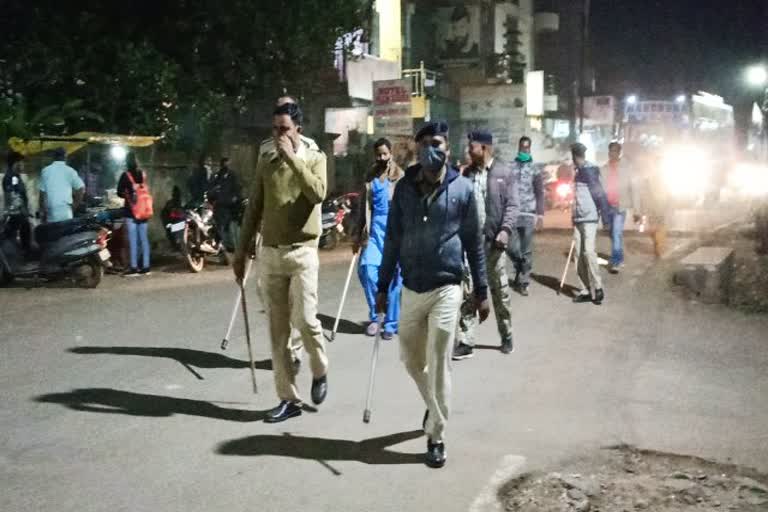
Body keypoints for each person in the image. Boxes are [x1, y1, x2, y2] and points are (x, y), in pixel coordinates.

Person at [376, 121, 489, 469]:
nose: (429, 149)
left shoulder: (464, 190)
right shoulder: (404, 190)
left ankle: (436, 434)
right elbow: (392, 239)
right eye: (423, 143)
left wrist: (482, 290)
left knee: (439, 359)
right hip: (411, 287)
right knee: (411, 359)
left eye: (436, 142)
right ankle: (434, 403)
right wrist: (382, 288)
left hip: (446, 287)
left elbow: (473, 243)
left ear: (448, 147)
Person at [233, 102, 328, 424]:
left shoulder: (316, 158)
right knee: (278, 334)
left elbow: (318, 194)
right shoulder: (266, 161)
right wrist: (241, 250)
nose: (278, 135)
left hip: (303, 252)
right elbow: (254, 207)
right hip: (270, 254)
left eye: (284, 129)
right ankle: (289, 399)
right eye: (275, 129)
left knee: (306, 320)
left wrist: (293, 159)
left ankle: (319, 369)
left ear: (298, 129)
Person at [453, 130, 518, 361]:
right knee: (468, 292)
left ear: (485, 148)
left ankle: (507, 334)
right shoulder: (467, 174)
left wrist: (505, 230)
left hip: (494, 245)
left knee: (499, 291)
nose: (469, 151)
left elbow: (512, 205)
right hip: (470, 245)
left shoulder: (503, 172)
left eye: (472, 147)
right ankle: (465, 341)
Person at [352, 138, 405, 340]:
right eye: (378, 154)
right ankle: (376, 316)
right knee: (366, 269)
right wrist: (357, 235)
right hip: (374, 231)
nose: (381, 158)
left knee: (394, 279)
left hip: (395, 233)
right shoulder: (370, 176)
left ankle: (391, 323)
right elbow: (361, 209)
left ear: (390, 153)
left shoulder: (400, 176)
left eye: (385, 153)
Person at [570, 143, 609, 305]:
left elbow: (600, 195)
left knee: (588, 252)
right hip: (578, 218)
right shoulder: (578, 171)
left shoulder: (589, 171)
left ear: (575, 156)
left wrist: (605, 218)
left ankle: (598, 287)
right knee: (578, 254)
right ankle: (585, 289)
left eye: (574, 156)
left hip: (590, 218)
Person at [507, 136, 544, 297]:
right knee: (511, 247)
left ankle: (523, 281)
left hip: (529, 213)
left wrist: (540, 215)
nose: (525, 150)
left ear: (530, 149)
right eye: (523, 147)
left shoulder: (535, 169)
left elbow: (539, 192)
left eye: (527, 148)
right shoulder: (510, 167)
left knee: (526, 249)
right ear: (519, 148)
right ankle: (521, 268)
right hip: (513, 213)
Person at [603, 142, 641, 273]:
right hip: (607, 207)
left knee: (616, 233)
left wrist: (637, 210)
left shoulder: (627, 168)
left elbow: (635, 189)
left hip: (620, 207)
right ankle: (619, 255)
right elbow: (600, 189)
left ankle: (616, 261)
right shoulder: (604, 168)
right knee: (611, 233)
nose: (612, 153)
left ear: (619, 153)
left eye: (614, 151)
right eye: (610, 151)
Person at [117, 152, 152, 276]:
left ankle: (133, 267)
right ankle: (146, 267)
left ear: (127, 162)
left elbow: (119, 192)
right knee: (144, 239)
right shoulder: (142, 174)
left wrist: (127, 193)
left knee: (133, 240)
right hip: (143, 211)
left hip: (131, 212)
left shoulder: (125, 176)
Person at [39, 147, 85, 223]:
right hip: (66, 212)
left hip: (51, 212)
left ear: (53, 157)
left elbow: (41, 194)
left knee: (53, 234)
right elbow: (81, 188)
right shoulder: (70, 171)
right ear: (65, 157)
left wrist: (42, 212)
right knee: (66, 234)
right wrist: (75, 205)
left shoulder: (46, 171)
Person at [207, 157, 242, 253]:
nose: (226, 166)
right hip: (220, 206)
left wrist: (236, 198)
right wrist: (212, 201)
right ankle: (224, 246)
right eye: (224, 164)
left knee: (231, 227)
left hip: (232, 207)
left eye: (227, 164)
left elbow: (238, 189)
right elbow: (210, 191)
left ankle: (233, 246)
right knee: (220, 227)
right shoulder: (216, 177)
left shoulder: (233, 176)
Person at [2, 151, 31, 254]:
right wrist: (23, 210)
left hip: (19, 213)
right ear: (16, 163)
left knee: (24, 232)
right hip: (16, 214)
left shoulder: (15, 176)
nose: (23, 165)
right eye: (21, 162)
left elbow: (16, 191)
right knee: (18, 234)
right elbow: (13, 195)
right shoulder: (11, 177)